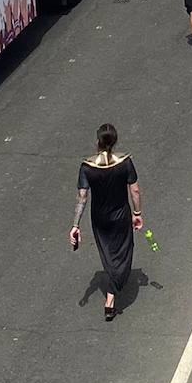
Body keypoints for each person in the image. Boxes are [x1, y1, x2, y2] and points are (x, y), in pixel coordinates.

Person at [71, 124, 142, 322]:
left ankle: (111, 289)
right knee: (123, 251)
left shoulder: (87, 166)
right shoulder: (125, 162)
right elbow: (134, 191)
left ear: (98, 142)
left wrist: (75, 225)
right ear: (115, 141)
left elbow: (82, 197)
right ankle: (111, 298)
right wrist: (137, 213)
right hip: (120, 215)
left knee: (107, 252)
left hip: (99, 218)